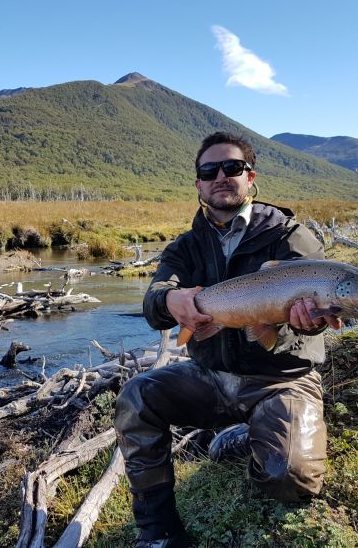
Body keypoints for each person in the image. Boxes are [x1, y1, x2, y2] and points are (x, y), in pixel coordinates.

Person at [114, 132, 343, 548]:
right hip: (211, 376)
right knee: (136, 396)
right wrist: (170, 298)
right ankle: (157, 531)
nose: (221, 176)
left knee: (292, 479)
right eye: (209, 170)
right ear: (199, 184)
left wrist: (308, 323)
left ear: (250, 176)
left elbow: (318, 318)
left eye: (232, 168)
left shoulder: (291, 237)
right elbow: (153, 302)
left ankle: (248, 440)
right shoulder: (186, 246)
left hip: (282, 380)